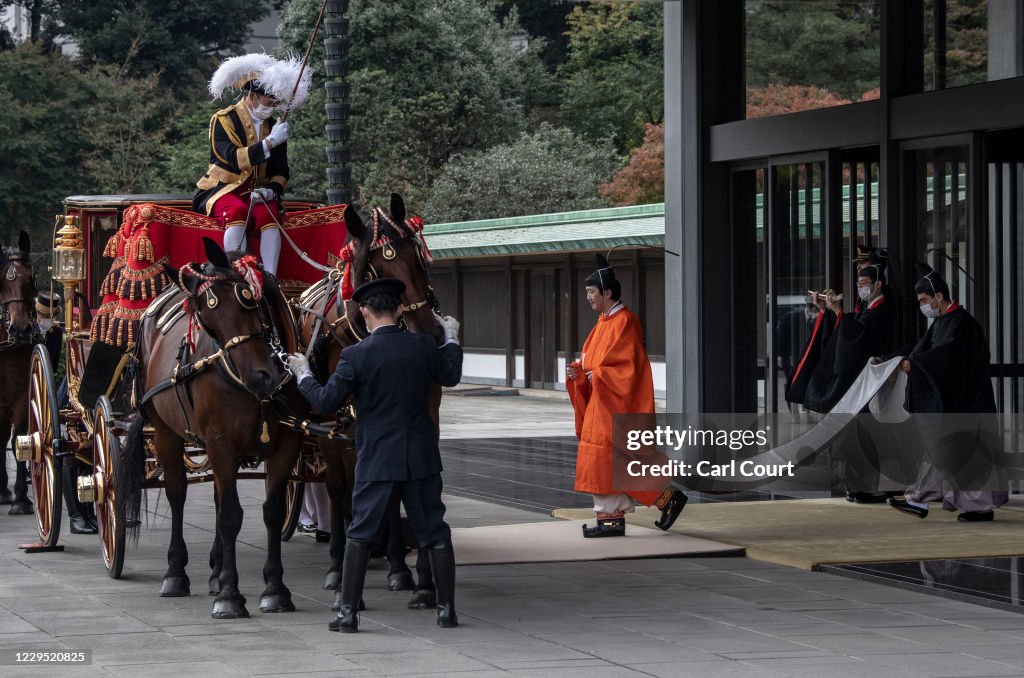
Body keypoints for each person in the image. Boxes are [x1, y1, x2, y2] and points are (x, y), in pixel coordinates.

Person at [286, 278, 463, 632]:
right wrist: (453, 336)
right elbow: (452, 374)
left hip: (377, 458)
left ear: (365, 313)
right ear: (399, 309)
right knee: (435, 533)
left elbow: (324, 401)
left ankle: (348, 614)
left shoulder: (355, 356)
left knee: (361, 533)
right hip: (420, 457)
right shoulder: (424, 348)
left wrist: (303, 374)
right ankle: (446, 611)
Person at [566, 254, 687, 538]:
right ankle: (661, 500)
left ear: (607, 293)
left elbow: (628, 368)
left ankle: (618, 516)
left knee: (614, 460)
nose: (588, 298)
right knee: (611, 460)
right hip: (601, 402)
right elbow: (592, 363)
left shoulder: (625, 321)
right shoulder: (604, 321)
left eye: (591, 292)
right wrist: (580, 374)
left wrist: (599, 376)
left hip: (614, 403)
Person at [887, 265, 1008, 522]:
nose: (922, 306)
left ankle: (932, 501)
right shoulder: (946, 321)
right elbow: (923, 350)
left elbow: (947, 357)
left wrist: (914, 364)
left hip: (969, 401)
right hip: (958, 400)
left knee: (956, 452)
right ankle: (920, 499)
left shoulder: (961, 323)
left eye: (923, 300)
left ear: (938, 297)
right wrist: (897, 358)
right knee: (945, 451)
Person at [194, 54, 309, 276]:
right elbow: (234, 158)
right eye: (269, 102)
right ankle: (233, 273)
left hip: (257, 194)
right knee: (237, 211)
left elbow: (281, 171)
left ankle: (271, 278)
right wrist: (270, 142)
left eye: (277, 104)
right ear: (253, 95)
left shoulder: (274, 125)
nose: (273, 107)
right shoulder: (223, 120)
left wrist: (271, 191)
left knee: (270, 213)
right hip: (222, 189)